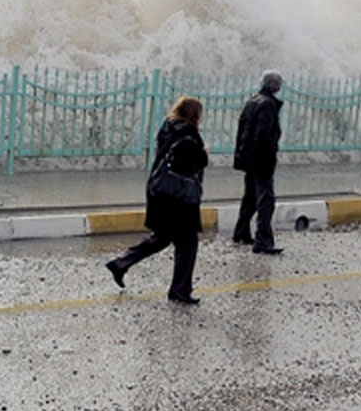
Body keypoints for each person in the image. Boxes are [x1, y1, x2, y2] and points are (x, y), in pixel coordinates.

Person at [105, 96, 209, 304]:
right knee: (187, 243)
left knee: (162, 237)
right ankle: (179, 291)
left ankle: (121, 263)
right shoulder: (188, 134)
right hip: (179, 199)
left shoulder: (168, 128)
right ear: (195, 115)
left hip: (160, 192)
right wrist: (203, 154)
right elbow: (186, 164)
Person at [233, 70, 284, 254]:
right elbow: (263, 134)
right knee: (265, 200)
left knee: (251, 198)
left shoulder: (252, 101)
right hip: (261, 159)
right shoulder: (268, 104)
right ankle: (263, 240)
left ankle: (241, 232)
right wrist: (269, 155)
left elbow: (242, 130)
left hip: (249, 158)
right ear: (276, 87)